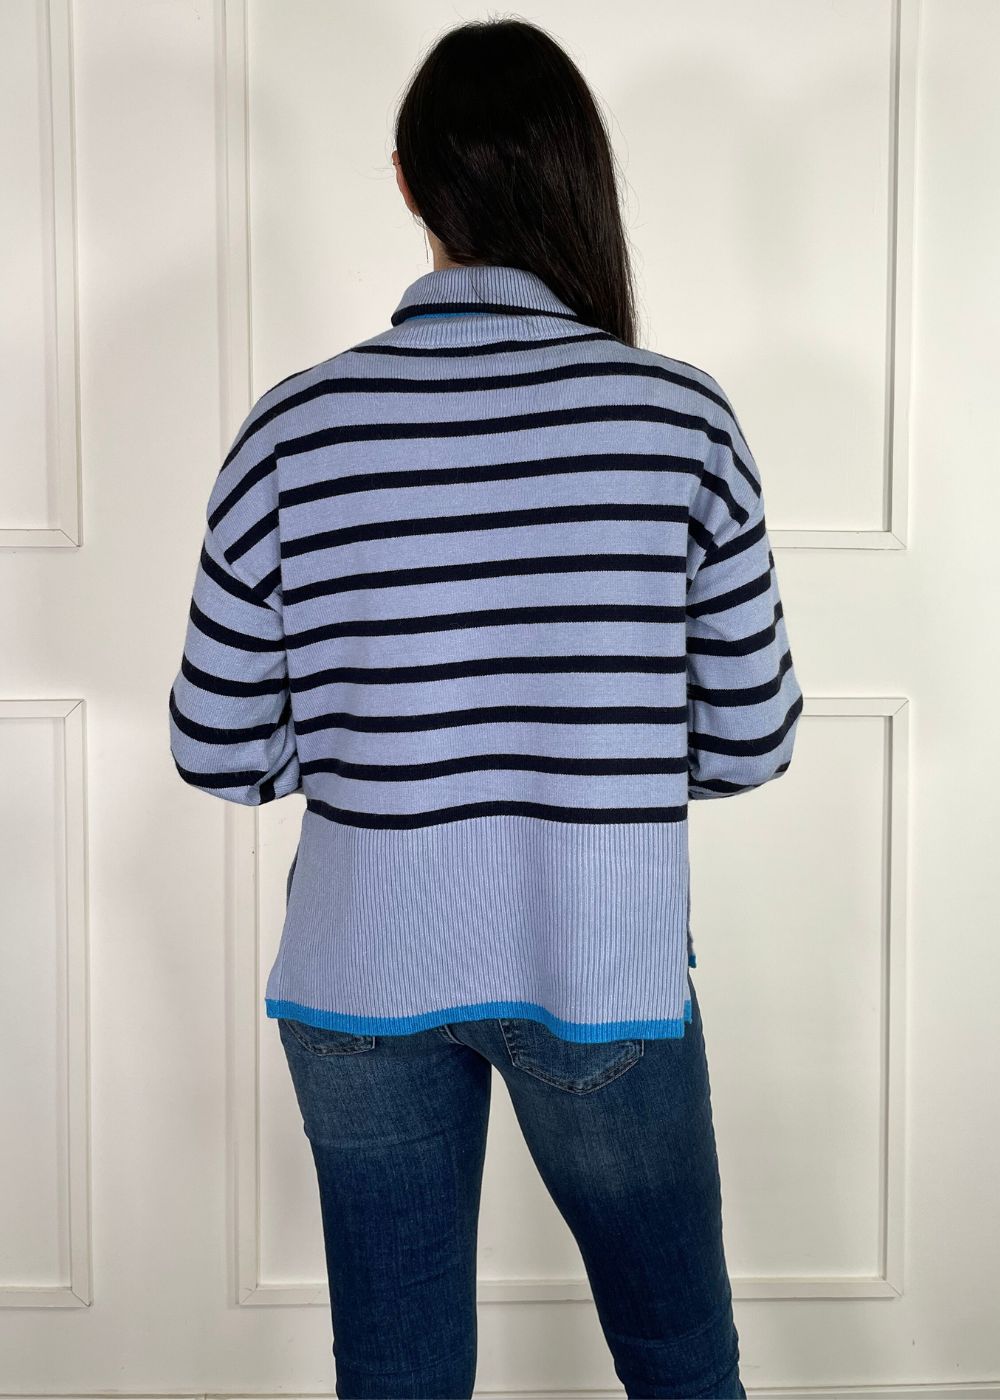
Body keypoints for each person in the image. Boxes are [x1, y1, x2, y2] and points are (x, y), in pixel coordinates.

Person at [169, 16, 802, 1399]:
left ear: (408, 182)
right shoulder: (679, 421)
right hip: (602, 965)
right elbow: (753, 736)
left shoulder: (295, 428)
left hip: (358, 974)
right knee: (680, 1358)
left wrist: (379, 735)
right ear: (580, 176)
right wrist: (595, 749)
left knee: (396, 1374)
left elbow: (216, 744)